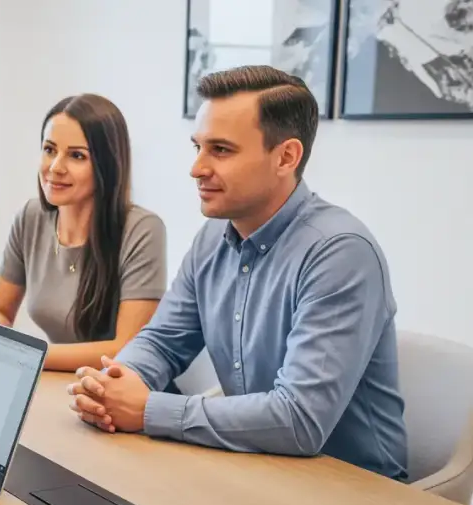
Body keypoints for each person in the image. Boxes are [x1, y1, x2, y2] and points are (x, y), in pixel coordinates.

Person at [67, 65, 408, 480]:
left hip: (354, 492)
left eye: (221, 150)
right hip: (255, 466)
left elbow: (299, 420)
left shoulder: (340, 253)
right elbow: (162, 342)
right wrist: (112, 386)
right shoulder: (212, 238)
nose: (197, 168)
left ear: (286, 157)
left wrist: (147, 409)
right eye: (198, 147)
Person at [0, 93, 168, 372]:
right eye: (49, 149)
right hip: (57, 381)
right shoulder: (31, 217)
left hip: (117, 395)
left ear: (107, 166)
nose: (56, 167)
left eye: (76, 156)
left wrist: (24, 354)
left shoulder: (143, 230)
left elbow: (126, 348)